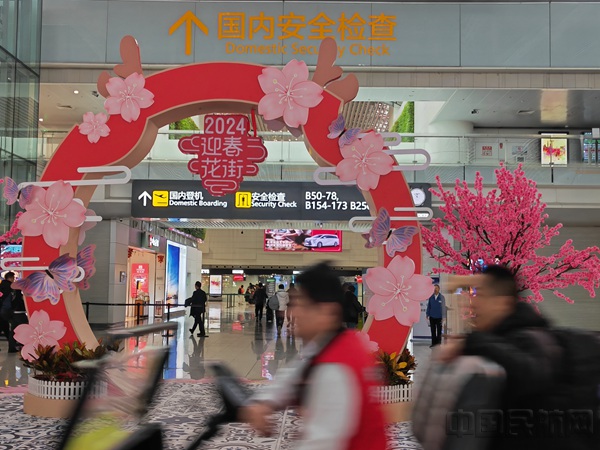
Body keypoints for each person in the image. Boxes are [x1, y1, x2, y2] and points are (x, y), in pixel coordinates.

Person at [240, 262, 388, 450]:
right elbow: (293, 375)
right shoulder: (331, 342)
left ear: (327, 312)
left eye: (303, 305)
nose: (295, 312)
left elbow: (320, 442)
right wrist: (264, 402)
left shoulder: (335, 371)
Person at [436, 265, 582, 450]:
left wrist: (470, 342)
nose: (472, 304)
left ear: (502, 303)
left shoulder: (532, 339)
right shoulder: (498, 341)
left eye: (480, 295)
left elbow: (529, 373)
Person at [0, 272, 18, 353]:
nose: (14, 280)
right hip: (6, 310)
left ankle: (12, 346)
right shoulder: (11, 287)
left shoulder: (1, 286)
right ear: (10, 278)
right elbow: (11, 300)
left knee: (5, 328)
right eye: (13, 278)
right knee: (12, 327)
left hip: (2, 310)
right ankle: (12, 346)